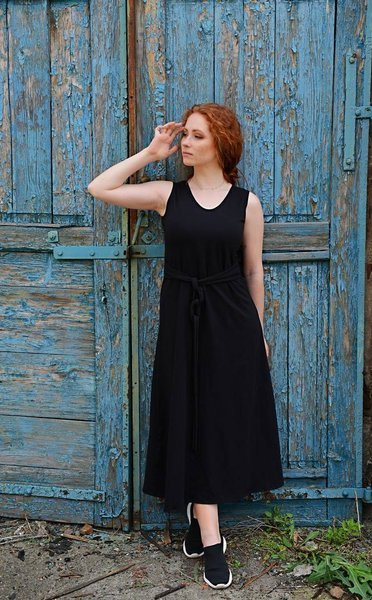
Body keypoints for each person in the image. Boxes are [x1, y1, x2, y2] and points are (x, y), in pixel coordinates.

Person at [87, 102, 284, 590]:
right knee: (188, 414)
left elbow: (253, 271)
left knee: (216, 420)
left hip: (231, 321)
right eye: (185, 135)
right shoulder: (166, 195)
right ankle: (209, 535)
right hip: (182, 318)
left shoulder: (247, 204)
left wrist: (258, 333)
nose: (185, 144)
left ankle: (206, 531)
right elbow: (100, 188)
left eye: (196, 136)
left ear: (221, 143)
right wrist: (150, 153)